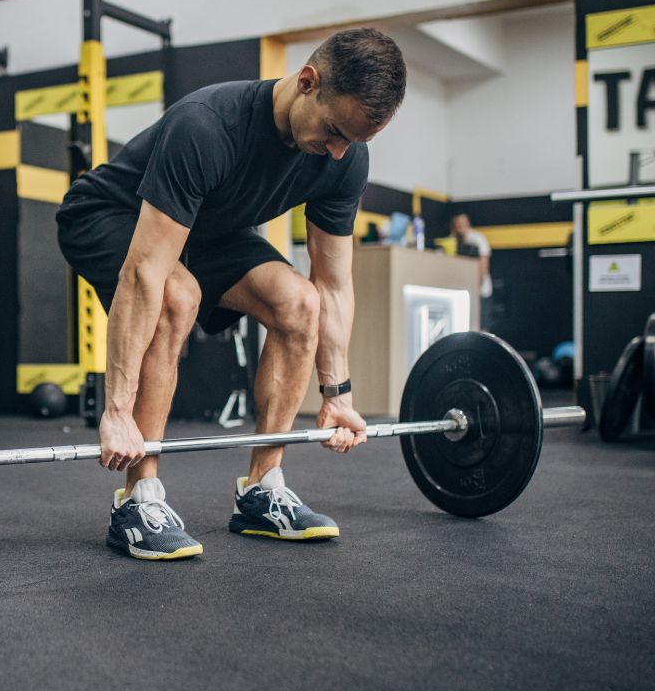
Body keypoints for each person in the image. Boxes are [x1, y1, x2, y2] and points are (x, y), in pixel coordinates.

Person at [56, 28, 406, 560]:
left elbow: (333, 286)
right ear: (307, 82)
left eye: (353, 142)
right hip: (108, 214)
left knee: (300, 304)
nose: (339, 151)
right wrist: (117, 410)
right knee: (175, 296)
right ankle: (139, 499)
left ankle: (262, 490)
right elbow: (146, 274)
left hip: (206, 228)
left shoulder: (344, 157)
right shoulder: (207, 126)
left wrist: (337, 395)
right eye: (335, 131)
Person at [450, 213, 493, 330]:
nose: (460, 226)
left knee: (482, 326)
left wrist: (478, 286)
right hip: (463, 291)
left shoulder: (477, 239)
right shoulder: (452, 240)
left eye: (463, 223)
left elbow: (484, 264)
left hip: (481, 291)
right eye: (458, 223)